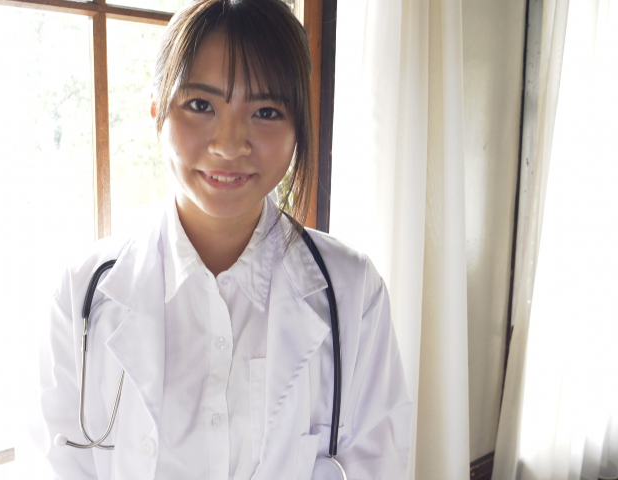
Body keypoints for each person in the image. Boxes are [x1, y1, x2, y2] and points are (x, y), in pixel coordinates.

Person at [40, 0, 412, 478]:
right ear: (156, 109)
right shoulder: (80, 296)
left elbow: (380, 465)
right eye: (201, 105)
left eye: (266, 111)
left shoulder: (352, 292)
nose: (229, 144)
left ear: (298, 126)